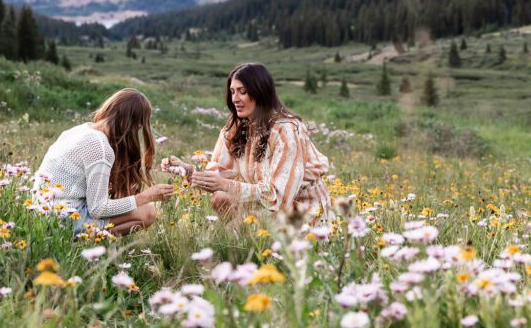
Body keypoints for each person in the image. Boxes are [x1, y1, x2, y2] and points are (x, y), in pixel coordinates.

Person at [165, 62, 332, 223]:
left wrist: (226, 185)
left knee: (235, 213)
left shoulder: (286, 130)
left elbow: (280, 197)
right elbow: (219, 175)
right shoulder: (237, 127)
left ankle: (235, 248)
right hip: (264, 205)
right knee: (221, 198)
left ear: (260, 92)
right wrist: (188, 172)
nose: (235, 99)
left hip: (302, 210)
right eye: (232, 92)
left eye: (242, 92)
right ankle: (240, 245)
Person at [35, 88, 173, 236]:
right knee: (148, 212)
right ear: (135, 124)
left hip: (40, 214)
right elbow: (98, 209)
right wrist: (147, 196)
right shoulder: (99, 147)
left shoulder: (80, 130)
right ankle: (93, 241)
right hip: (61, 221)